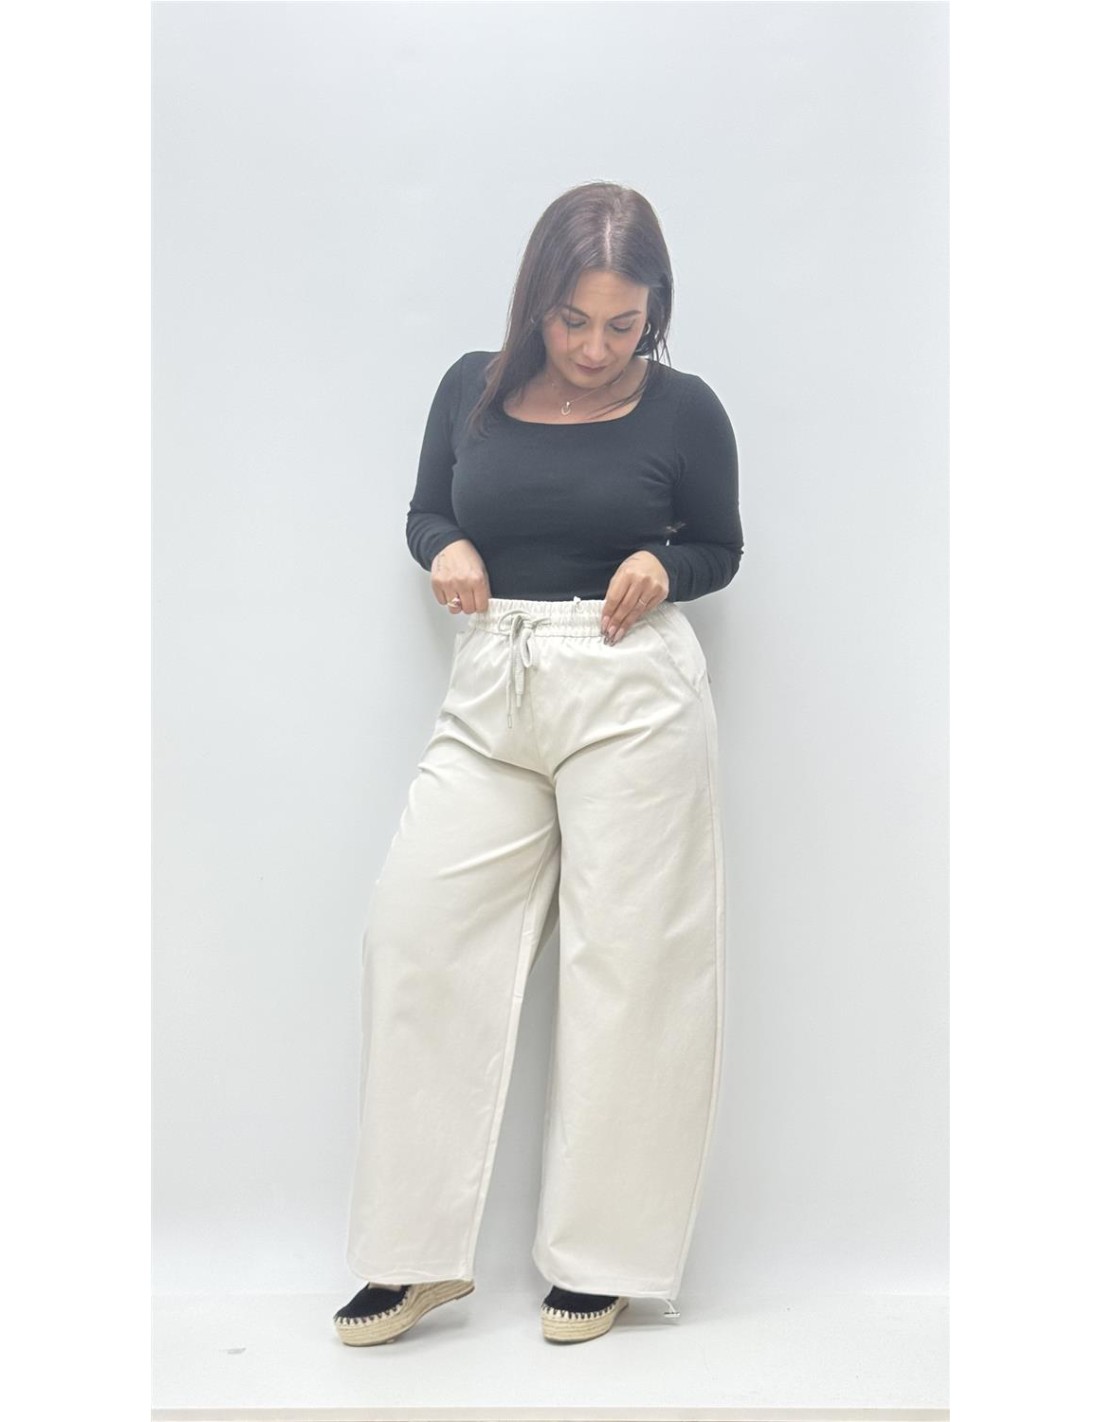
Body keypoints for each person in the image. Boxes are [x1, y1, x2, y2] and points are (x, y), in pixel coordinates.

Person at [333, 181, 743, 1348]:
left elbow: (718, 545)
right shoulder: (469, 388)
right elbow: (425, 512)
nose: (597, 348)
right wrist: (448, 546)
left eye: (624, 325)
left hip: (629, 687)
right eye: (573, 321)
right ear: (534, 304)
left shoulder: (685, 409)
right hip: (492, 683)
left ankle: (602, 1260)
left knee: (631, 965)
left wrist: (665, 567)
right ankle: (411, 1255)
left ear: (654, 312)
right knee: (416, 933)